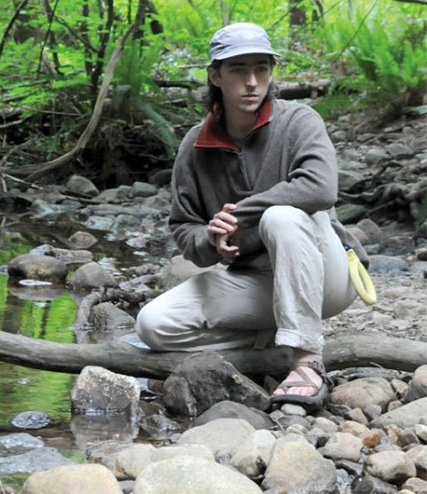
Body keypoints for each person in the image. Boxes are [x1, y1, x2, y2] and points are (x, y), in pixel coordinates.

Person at [134, 22, 369, 407]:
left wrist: (242, 215)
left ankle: (307, 360)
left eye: (261, 68)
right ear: (215, 75)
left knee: (281, 217)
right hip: (259, 284)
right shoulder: (195, 145)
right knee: (153, 325)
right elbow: (183, 226)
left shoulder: (299, 121)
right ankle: (273, 338)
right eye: (238, 70)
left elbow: (321, 188)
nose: (252, 81)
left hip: (328, 276)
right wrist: (209, 241)